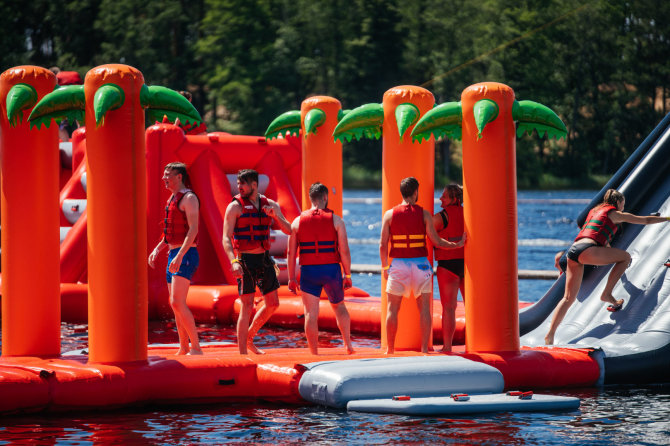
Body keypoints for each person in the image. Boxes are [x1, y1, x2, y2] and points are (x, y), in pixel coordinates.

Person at [545, 189, 670, 345]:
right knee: (625, 257)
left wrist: (621, 272)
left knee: (567, 298)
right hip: (588, 250)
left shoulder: (595, 211)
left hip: (573, 252)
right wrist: (666, 217)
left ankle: (550, 335)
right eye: (623, 203)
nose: (623, 207)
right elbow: (645, 220)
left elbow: (602, 240)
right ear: (618, 202)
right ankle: (607, 293)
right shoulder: (615, 213)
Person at [379, 177, 465, 354]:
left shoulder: (389, 214)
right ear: (416, 192)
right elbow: (436, 241)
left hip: (398, 265)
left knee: (392, 309)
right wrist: (457, 245)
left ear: (402, 192)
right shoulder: (425, 214)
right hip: (421, 264)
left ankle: (390, 349)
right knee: (424, 309)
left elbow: (382, 244)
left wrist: (385, 267)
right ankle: (425, 349)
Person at [222, 169, 292, 354]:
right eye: (238, 184)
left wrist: (275, 216)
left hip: (264, 259)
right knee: (246, 305)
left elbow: (289, 230)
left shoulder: (270, 204)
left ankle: (250, 337)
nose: (239, 187)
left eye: (242, 184)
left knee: (273, 304)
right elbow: (226, 238)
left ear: (254, 185)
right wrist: (233, 261)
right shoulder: (235, 207)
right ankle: (243, 353)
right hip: (244, 259)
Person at [287, 182, 355, 355]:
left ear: (311, 198)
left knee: (310, 313)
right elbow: (344, 251)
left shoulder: (297, 222)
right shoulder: (336, 220)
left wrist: (291, 278)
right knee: (339, 307)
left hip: (309, 271)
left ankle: (314, 352)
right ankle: (348, 345)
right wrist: (347, 274)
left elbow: (290, 253)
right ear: (325, 197)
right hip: (331, 270)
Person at [148, 162, 203, 355]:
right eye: (164, 175)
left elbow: (193, 229)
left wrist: (179, 255)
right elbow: (169, 232)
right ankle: (184, 346)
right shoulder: (172, 198)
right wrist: (157, 249)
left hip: (185, 254)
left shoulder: (189, 198)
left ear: (179, 176)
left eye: (168, 175)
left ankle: (196, 347)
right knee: (174, 303)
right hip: (174, 253)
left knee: (177, 302)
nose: (164, 178)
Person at [432, 184, 465, 353]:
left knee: (449, 308)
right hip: (466, 265)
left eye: (444, 196)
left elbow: (427, 233)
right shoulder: (469, 215)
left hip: (447, 265)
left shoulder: (440, 217)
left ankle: (447, 347)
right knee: (471, 307)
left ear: (454, 199)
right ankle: (475, 343)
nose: (440, 198)